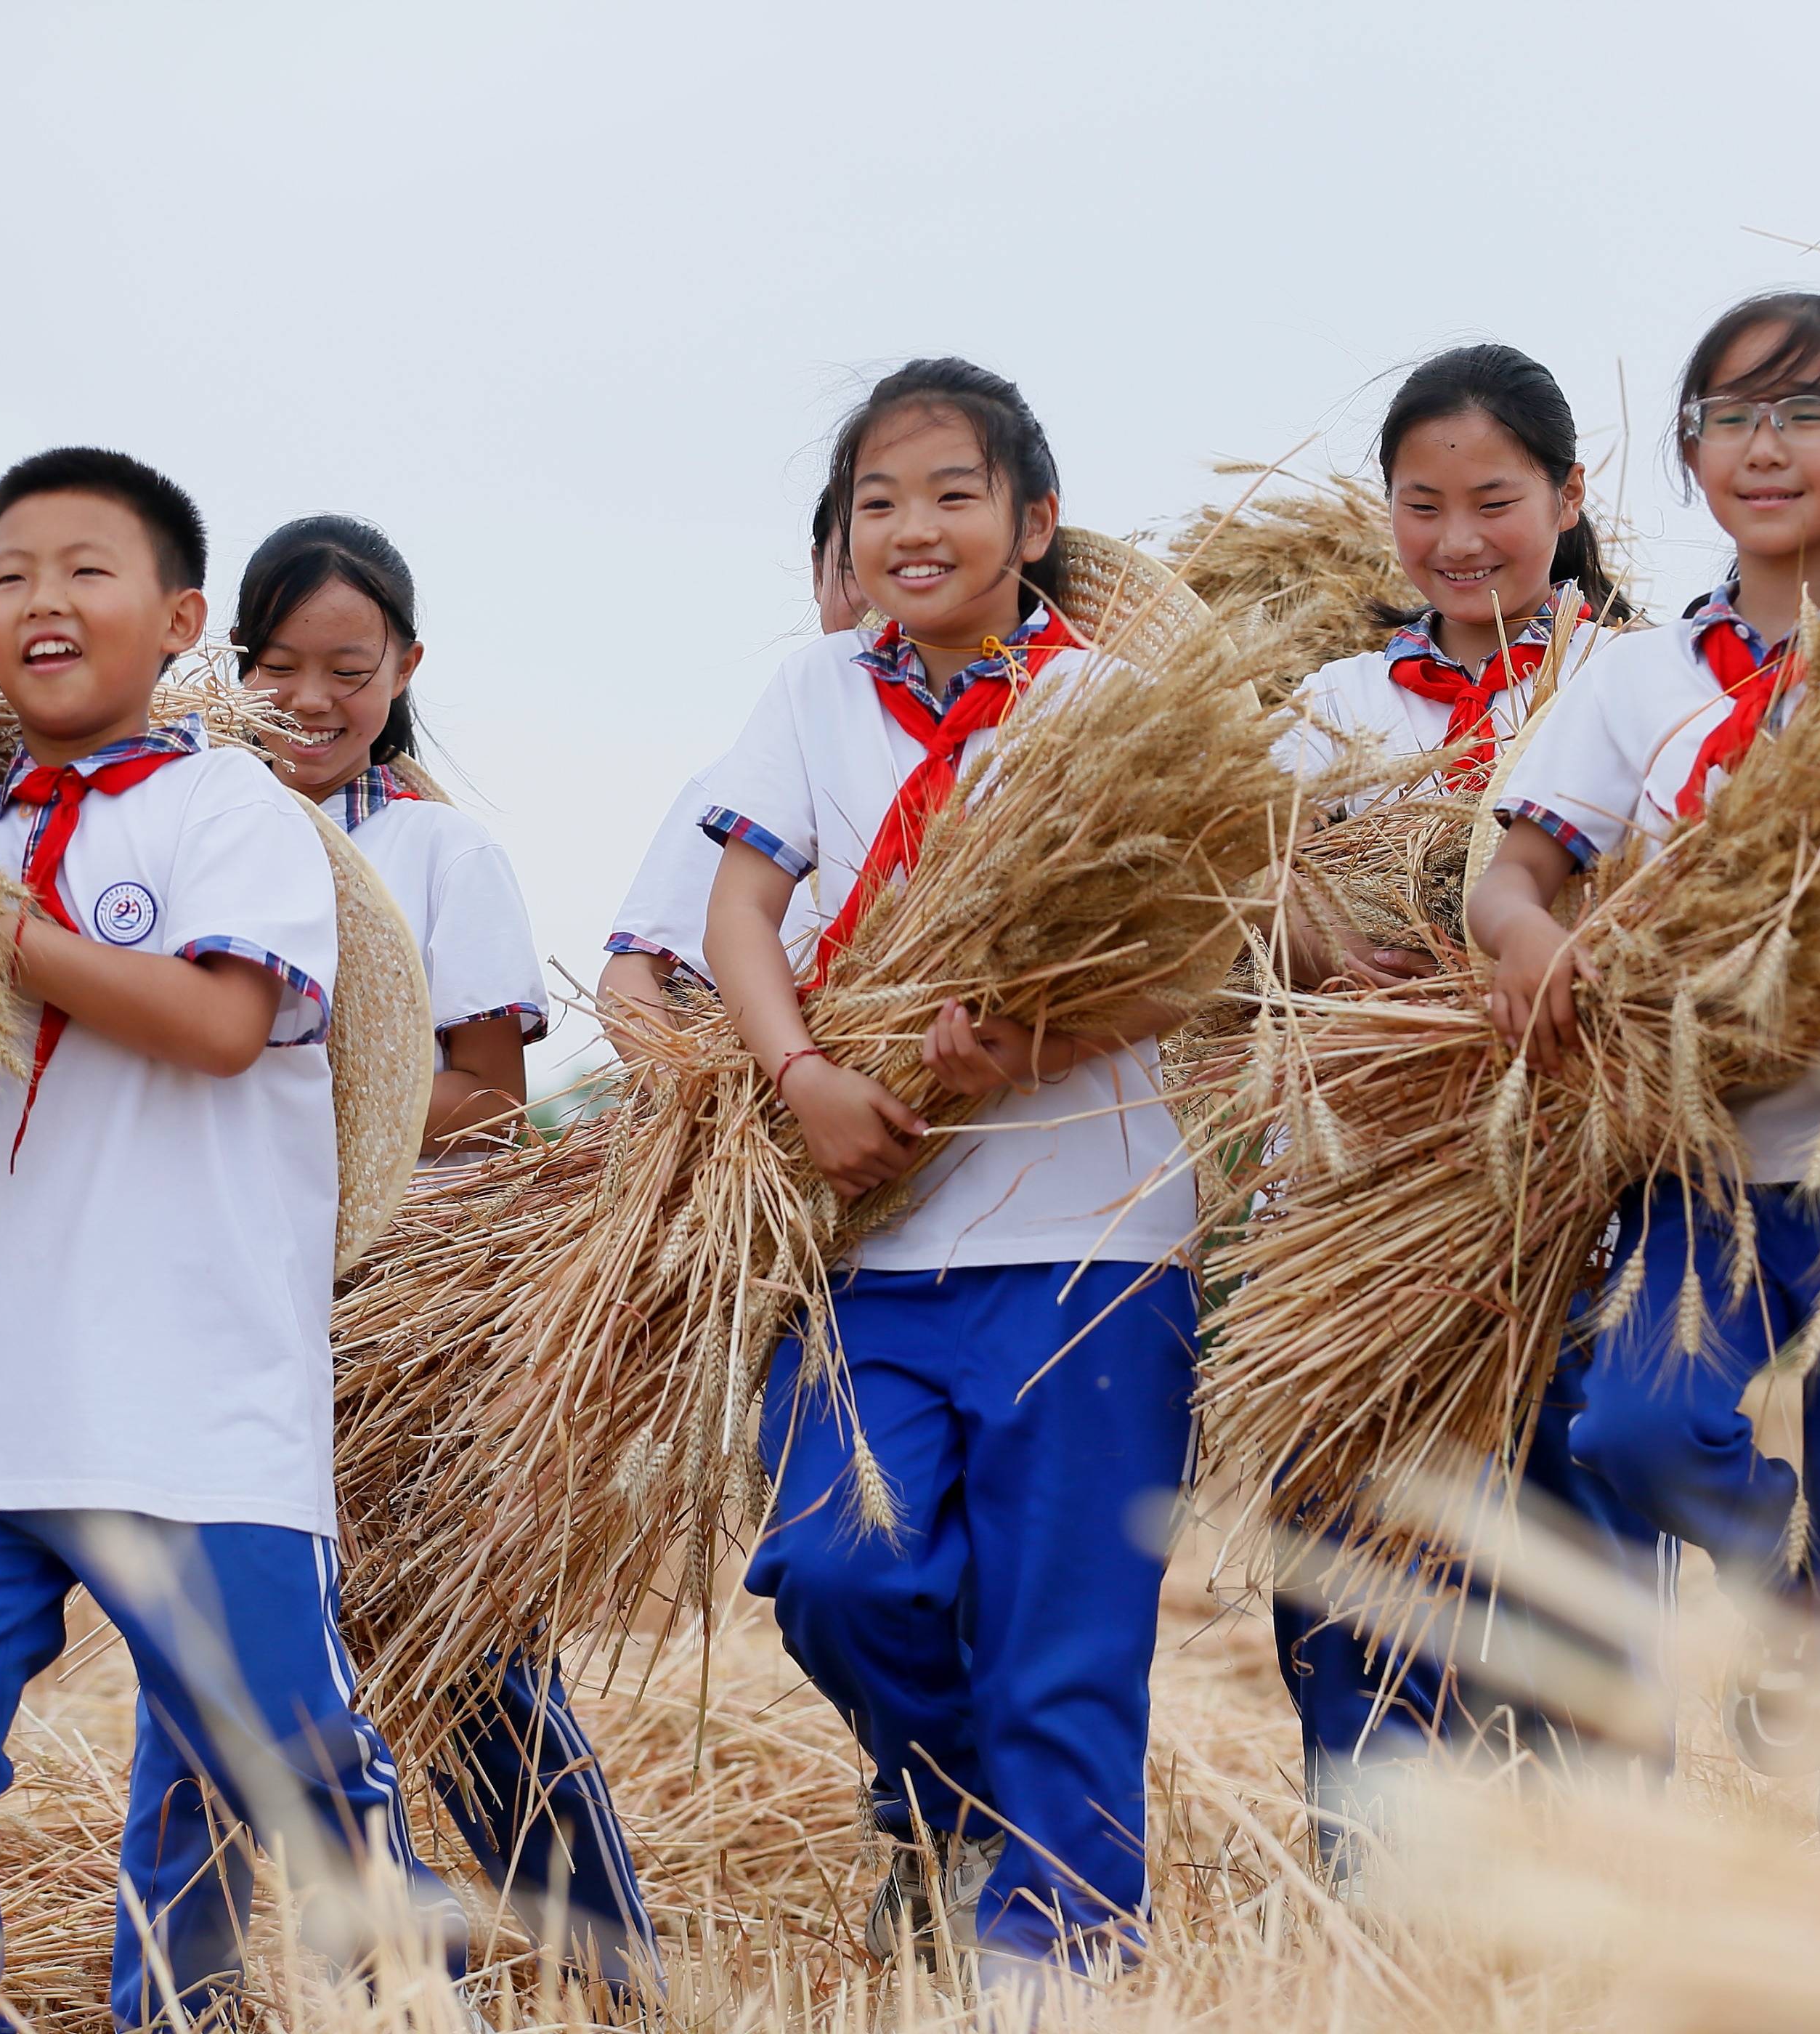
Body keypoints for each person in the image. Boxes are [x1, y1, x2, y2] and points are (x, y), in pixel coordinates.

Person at [0, 449, 461, 2033]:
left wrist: (5, 932)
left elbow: (217, 1019)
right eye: (11, 572)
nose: (43, 599)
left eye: (86, 568)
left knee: (293, 1757)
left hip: (190, 1401)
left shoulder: (229, 809)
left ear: (181, 617)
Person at [107, 516, 658, 2017]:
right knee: (199, 1667)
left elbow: (487, 1086)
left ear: (405, 668)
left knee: (463, 1660)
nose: (308, 697)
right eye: (274, 665)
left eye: (346, 667)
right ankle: (176, 1999)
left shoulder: (437, 846)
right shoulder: (184, 820)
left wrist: (325, 1138)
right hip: (223, 1300)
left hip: (404, 1303)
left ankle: (618, 1973)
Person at [699, 358, 1201, 1980]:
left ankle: (1055, 1961)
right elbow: (738, 917)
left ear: (1034, 520)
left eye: (952, 494)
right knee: (843, 1571)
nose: (912, 527)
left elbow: (1196, 952)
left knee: (1069, 1633)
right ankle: (949, 1802)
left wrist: (1036, 1045)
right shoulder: (812, 694)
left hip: (1092, 1233)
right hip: (864, 1238)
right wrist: (804, 1073)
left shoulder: (1116, 709)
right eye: (878, 501)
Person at [1466, 293, 1820, 1764]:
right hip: (1700, 1150)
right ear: (1691, 452)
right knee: (1636, 1423)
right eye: (1729, 418)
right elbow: (1514, 872)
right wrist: (1540, 943)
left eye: (1803, 413)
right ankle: (1796, 1600)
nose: (1762, 448)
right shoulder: (1639, 677)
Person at [1265, 343, 1659, 1859]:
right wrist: (1328, 935)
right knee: (1362, 1533)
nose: (1457, 538)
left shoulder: (1641, 677)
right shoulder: (1333, 704)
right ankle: (1372, 1876)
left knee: (1575, 1538)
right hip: (1368, 1186)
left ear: (1568, 497)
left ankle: (1596, 1883)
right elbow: (1257, 888)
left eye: (1493, 500)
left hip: (1583, 1181)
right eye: (1421, 505)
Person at [598, 479, 862, 1030]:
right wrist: (703, 1105)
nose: (884, 597)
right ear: (817, 572)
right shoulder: (743, 783)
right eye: (856, 565)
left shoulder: (1019, 763)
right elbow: (630, 982)